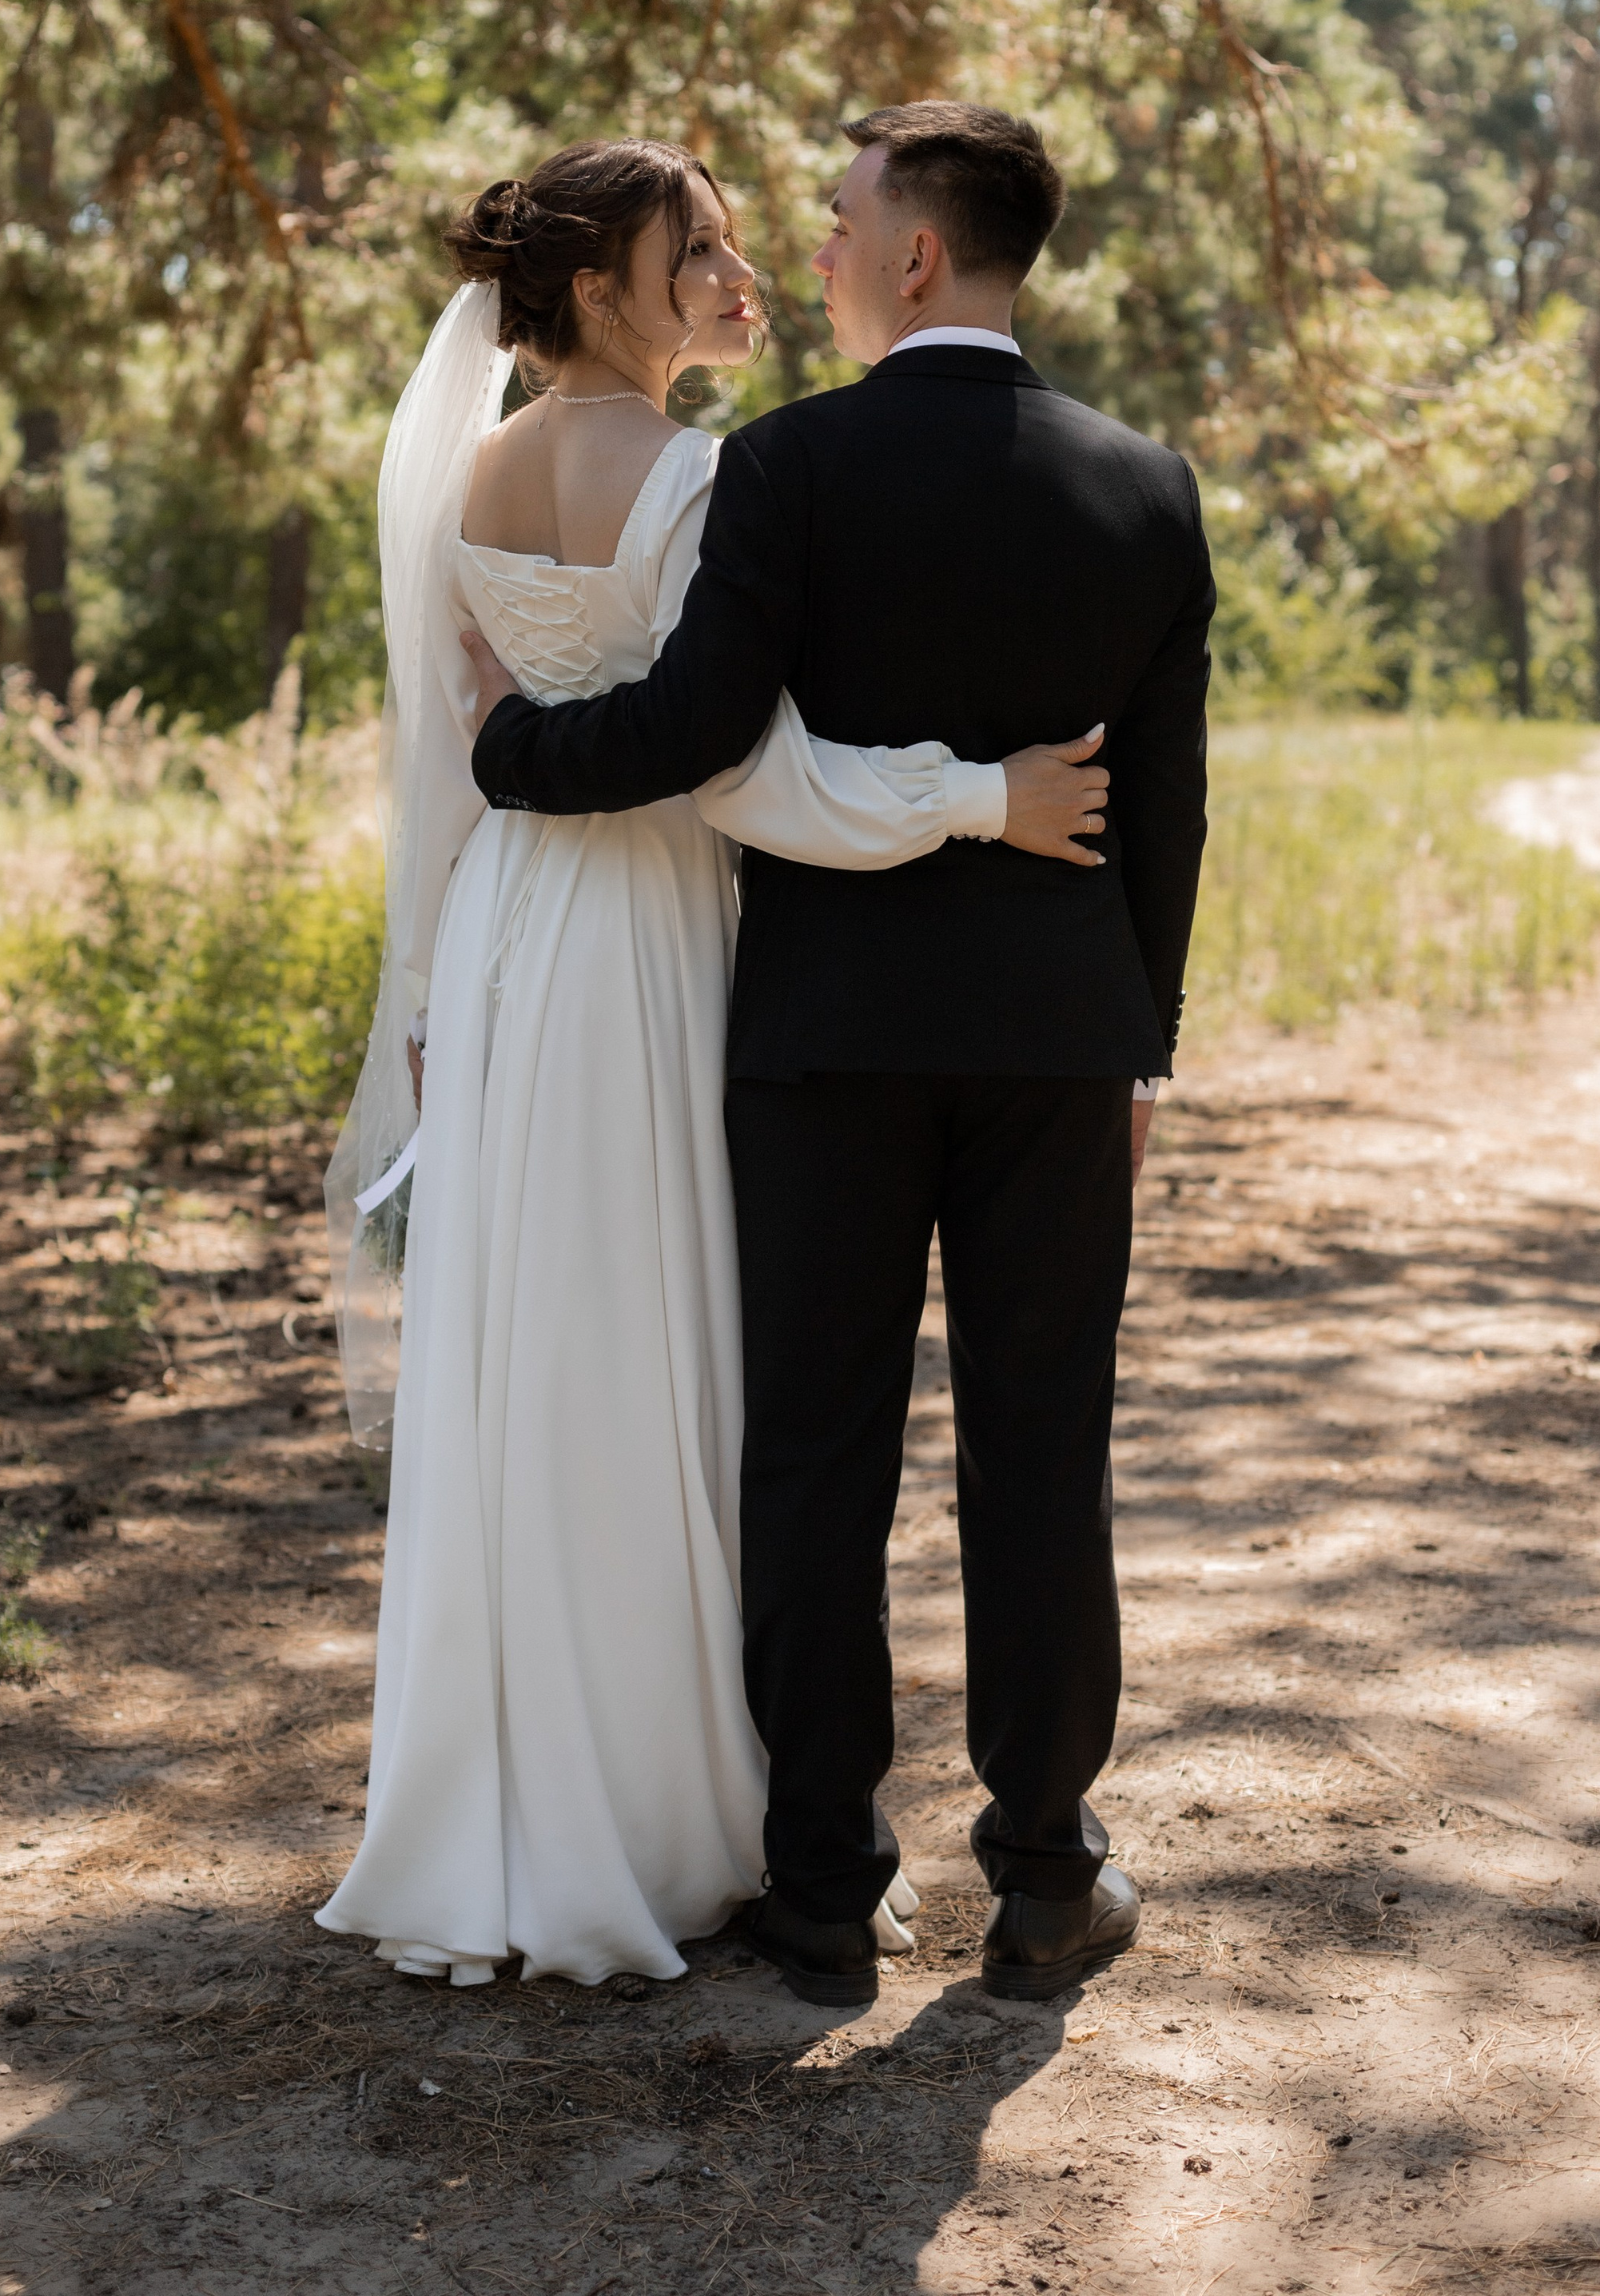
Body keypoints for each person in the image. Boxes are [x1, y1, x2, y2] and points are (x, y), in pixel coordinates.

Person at [316, 138, 1107, 1990]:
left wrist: (434, 985)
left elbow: (461, 757)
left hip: (513, 936)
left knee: (537, 1348)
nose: (740, 273)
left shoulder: (466, 476)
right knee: (659, 1349)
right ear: (599, 288)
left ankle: (510, 1798)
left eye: (748, 244)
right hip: (654, 933)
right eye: (697, 254)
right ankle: (666, 1816)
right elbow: (733, 767)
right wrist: (974, 797)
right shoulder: (690, 471)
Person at [467, 103, 1214, 2006]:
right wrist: (1138, 1056)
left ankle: (819, 1885)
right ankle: (1045, 1877)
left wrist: (509, 753)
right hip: (1056, 1044)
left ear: (908, 257)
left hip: (817, 1043)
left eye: (835, 215)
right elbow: (1167, 814)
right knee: (1043, 1449)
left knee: (813, 1453)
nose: (806, 243)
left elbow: (700, 731)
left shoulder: (786, 466)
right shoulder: (1144, 484)